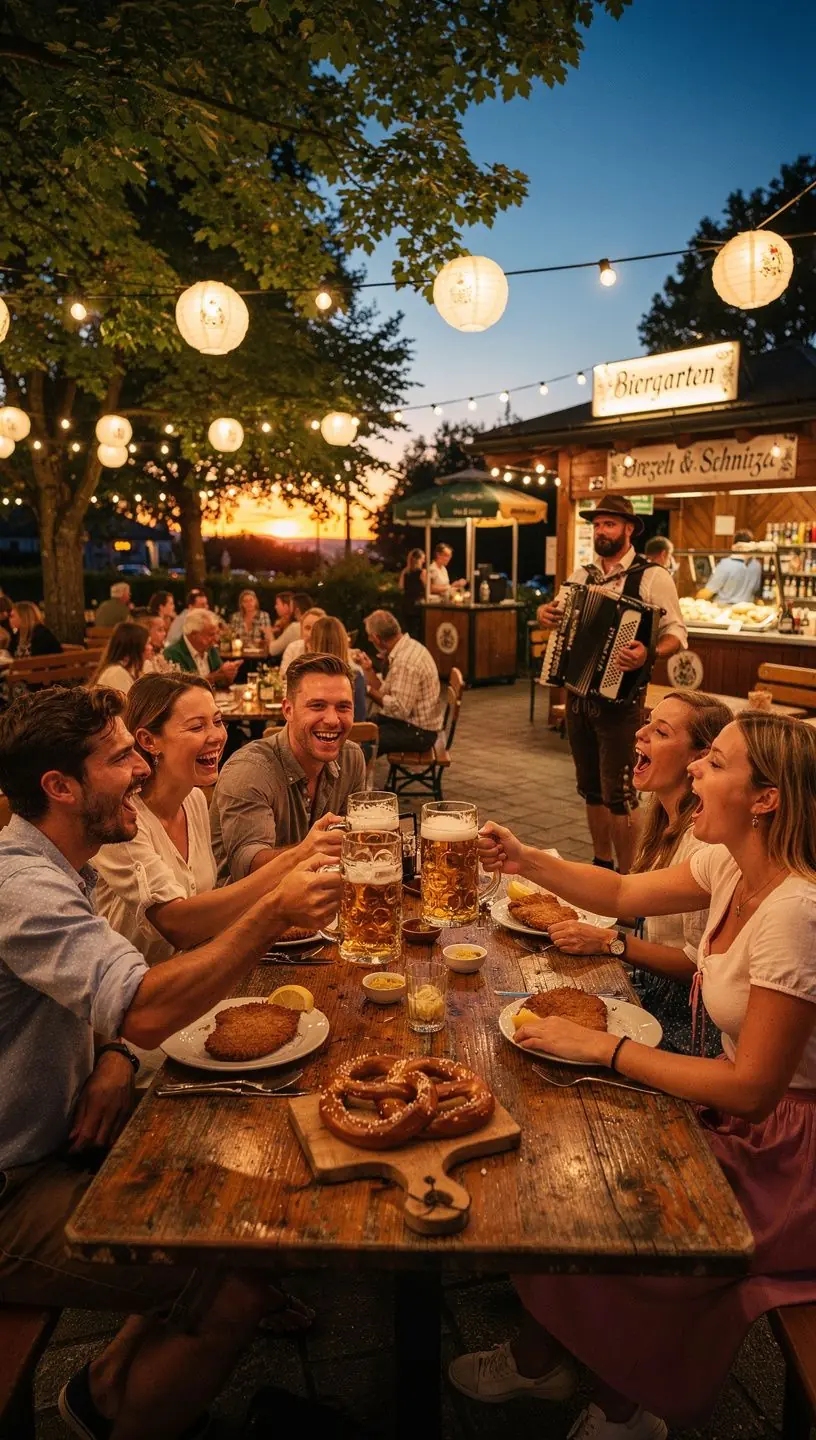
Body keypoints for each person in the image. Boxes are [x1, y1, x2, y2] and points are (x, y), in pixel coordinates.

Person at [454, 713, 816, 1438]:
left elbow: (755, 1090)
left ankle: (623, 1406)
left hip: (790, 1158)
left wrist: (605, 1052)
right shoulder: (732, 863)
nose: (694, 774)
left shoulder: (794, 912)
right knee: (560, 1156)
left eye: (714, 763)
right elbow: (618, 896)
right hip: (742, 1113)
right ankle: (557, 1362)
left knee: (613, 1210)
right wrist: (525, 858)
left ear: (766, 799)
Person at [0, 685, 341, 1440]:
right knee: (237, 1274)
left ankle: (110, 1390)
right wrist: (274, 912)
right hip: (15, 1190)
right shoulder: (20, 885)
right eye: (122, 757)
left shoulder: (65, 863)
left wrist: (118, 1053)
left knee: (265, 1163)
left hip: (66, 1138)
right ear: (60, 787)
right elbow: (147, 1002)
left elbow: (118, 1002)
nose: (143, 770)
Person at [548, 690, 732, 1056]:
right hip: (649, 987)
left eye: (661, 732)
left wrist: (610, 942)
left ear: (699, 758)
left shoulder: (708, 843)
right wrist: (569, 895)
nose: (639, 734)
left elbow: (696, 967)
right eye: (648, 722)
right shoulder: (663, 816)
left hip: (685, 1020)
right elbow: (638, 901)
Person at [537, 495, 687, 874]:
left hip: (621, 705)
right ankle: (600, 863)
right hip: (577, 698)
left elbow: (678, 634)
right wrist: (545, 614)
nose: (601, 531)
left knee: (619, 793)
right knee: (589, 789)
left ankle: (629, 875)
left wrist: (647, 652)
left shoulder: (652, 576)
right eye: (598, 525)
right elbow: (556, 614)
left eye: (609, 524)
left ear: (629, 529)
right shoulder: (582, 575)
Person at [210, 652, 365, 884]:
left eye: (343, 707)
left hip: (321, 899)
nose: (333, 720)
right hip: (248, 912)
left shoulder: (351, 758)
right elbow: (248, 867)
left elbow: (352, 841)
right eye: (317, 706)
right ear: (288, 710)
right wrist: (311, 850)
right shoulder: (249, 770)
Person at [358, 609, 443, 753]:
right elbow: (386, 691)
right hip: (411, 723)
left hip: (419, 733)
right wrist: (368, 670)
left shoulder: (405, 661)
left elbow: (399, 710)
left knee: (363, 744)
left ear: (377, 638)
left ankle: (354, 773)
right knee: (361, 727)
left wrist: (367, 690)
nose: (369, 640)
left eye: (369, 637)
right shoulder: (406, 647)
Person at [309, 616, 367, 722]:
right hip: (349, 736)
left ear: (312, 643)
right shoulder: (355, 676)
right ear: (344, 642)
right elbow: (360, 720)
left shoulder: (305, 677)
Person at [163, 608, 240, 689]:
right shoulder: (172, 654)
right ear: (193, 634)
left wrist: (228, 675)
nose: (216, 639)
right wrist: (216, 676)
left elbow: (221, 682)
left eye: (216, 634)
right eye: (211, 635)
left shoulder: (210, 649)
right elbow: (183, 689)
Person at [697, 529, 763, 605]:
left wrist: (695, 598)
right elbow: (755, 592)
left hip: (724, 610)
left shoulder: (726, 565)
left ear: (734, 546)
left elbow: (706, 594)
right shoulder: (757, 565)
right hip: (746, 610)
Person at [91, 621, 153, 694]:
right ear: (135, 647)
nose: (151, 647)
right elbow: (131, 704)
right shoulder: (116, 673)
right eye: (148, 643)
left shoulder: (130, 669)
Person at [280, 606, 327, 678]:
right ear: (301, 631)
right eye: (307, 628)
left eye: (315, 628)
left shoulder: (332, 650)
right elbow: (284, 677)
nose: (311, 633)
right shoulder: (293, 648)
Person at [266, 590, 302, 659]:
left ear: (286, 606)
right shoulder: (281, 623)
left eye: (277, 604)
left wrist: (269, 633)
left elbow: (273, 650)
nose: (275, 607)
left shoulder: (294, 626)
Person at [400, 547, 427, 637]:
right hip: (417, 606)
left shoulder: (405, 572)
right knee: (417, 633)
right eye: (423, 559)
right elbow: (427, 588)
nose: (424, 561)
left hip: (406, 604)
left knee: (407, 632)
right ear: (419, 559)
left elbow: (401, 587)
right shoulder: (422, 572)